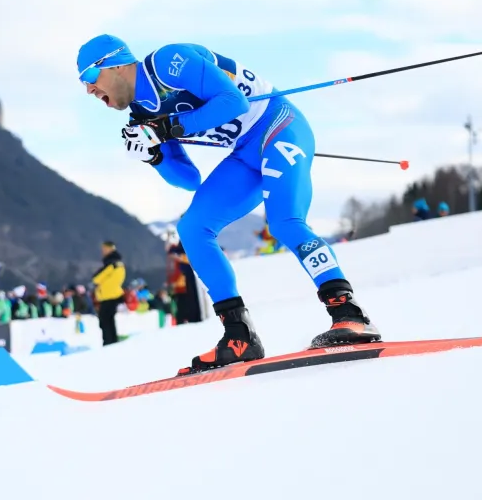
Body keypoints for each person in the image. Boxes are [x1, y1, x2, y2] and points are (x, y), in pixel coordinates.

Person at [76, 34, 381, 374]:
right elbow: (188, 179)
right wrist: (155, 154)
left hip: (278, 126)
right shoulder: (139, 116)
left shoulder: (166, 62)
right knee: (192, 228)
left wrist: (170, 127)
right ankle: (239, 335)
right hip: (244, 155)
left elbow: (232, 101)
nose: (89, 90)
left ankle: (349, 314)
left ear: (115, 64)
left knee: (284, 222)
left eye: (89, 78)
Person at [91, 240, 126, 346]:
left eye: (104, 249)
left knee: (105, 321)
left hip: (108, 295)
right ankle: (112, 341)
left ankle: (109, 343)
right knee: (109, 320)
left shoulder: (111, 263)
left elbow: (96, 278)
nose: (103, 252)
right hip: (113, 294)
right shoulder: (119, 264)